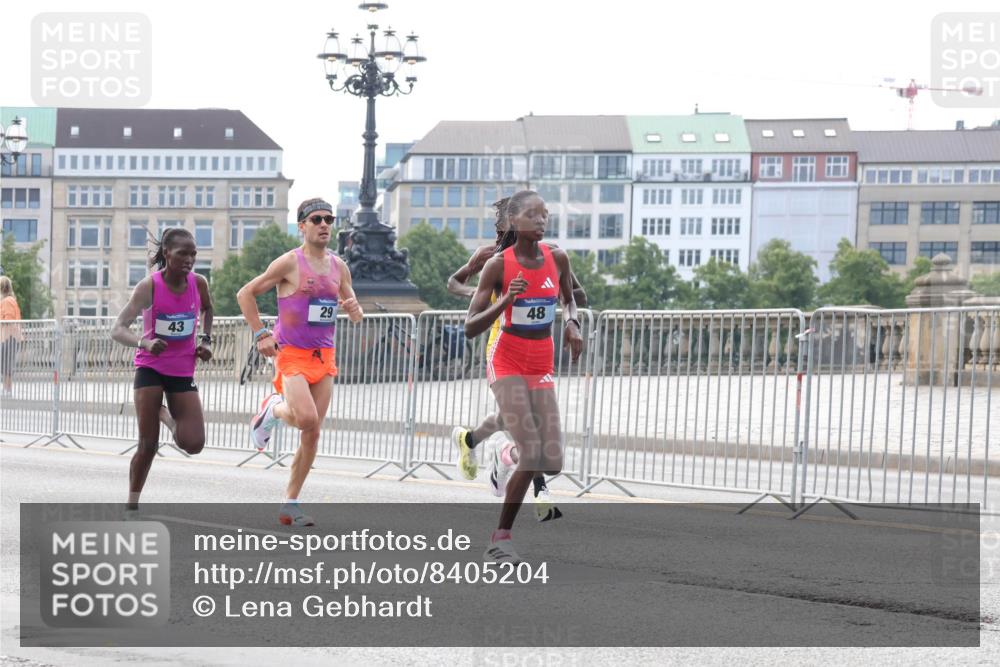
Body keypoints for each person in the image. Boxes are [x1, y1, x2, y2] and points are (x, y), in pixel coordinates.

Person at [447, 198, 587, 522]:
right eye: (530, 215)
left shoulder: (553, 255)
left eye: (543, 215)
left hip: (539, 357)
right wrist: (491, 294)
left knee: (537, 445)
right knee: (528, 438)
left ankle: (494, 449)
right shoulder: (490, 258)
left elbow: (575, 297)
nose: (539, 221)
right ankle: (525, 506)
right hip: (501, 342)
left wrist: (569, 318)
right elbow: (455, 284)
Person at [237, 198, 363, 527]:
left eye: (329, 219)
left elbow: (352, 304)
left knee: (312, 432)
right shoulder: (289, 263)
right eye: (316, 219)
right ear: (302, 226)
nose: (324, 225)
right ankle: (271, 411)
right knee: (305, 417)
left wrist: (355, 311)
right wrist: (261, 333)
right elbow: (245, 293)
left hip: (324, 356)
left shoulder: (339, 267)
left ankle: (290, 502)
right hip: (290, 352)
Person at [111, 228, 213, 512]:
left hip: (182, 369)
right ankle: (131, 506)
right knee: (148, 445)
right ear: (167, 254)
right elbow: (117, 329)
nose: (189, 260)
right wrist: (144, 342)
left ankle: (165, 416)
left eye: (193, 254)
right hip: (151, 368)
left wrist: (205, 340)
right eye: (183, 254)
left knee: (193, 443)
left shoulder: (199, 283)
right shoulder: (150, 286)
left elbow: (208, 309)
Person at [0, 276, 23, 397]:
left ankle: (7, 389)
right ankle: (6, 389)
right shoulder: (10, 300)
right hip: (11, 336)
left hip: (9, 336)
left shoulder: (6, 301)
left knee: (6, 363)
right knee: (5, 363)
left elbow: (8, 318)